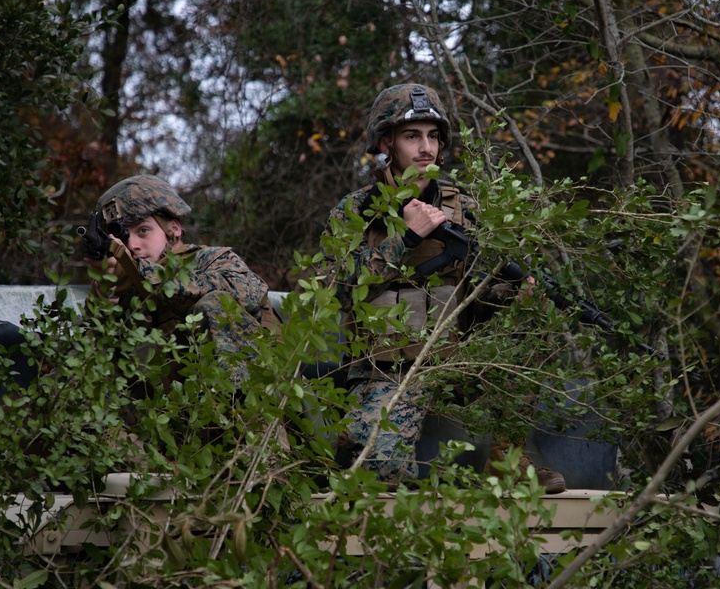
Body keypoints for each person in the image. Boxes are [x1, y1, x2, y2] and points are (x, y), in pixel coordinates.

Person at [317, 83, 565, 492]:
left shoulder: (465, 207)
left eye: (433, 136)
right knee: (378, 473)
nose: (425, 147)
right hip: (391, 368)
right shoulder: (356, 211)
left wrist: (514, 294)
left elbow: (483, 289)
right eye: (412, 136)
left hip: (461, 361)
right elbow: (333, 290)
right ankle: (362, 437)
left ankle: (509, 462)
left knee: (532, 312)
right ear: (386, 142)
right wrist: (406, 239)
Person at [86, 174, 279, 386]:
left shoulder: (213, 260)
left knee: (213, 304)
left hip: (259, 400)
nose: (133, 245)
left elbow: (246, 295)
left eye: (143, 230)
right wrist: (102, 305)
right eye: (123, 237)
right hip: (175, 410)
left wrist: (139, 272)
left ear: (174, 229)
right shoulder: (123, 286)